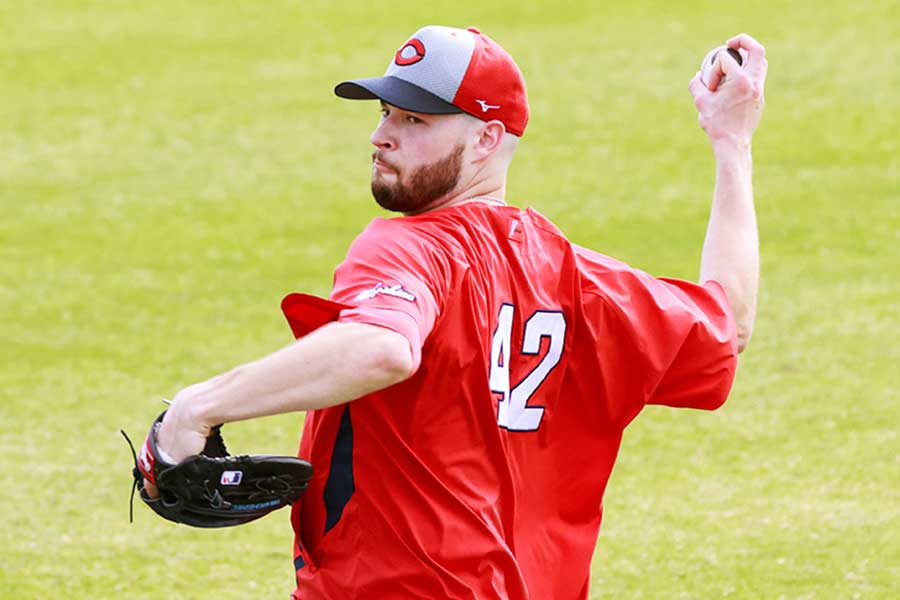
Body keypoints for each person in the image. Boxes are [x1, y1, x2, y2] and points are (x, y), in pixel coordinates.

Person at [147, 25, 767, 599]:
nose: (381, 134)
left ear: (487, 139)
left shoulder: (408, 247)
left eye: (415, 119)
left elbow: (383, 347)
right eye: (385, 111)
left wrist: (198, 406)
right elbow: (727, 325)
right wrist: (731, 142)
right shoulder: (582, 282)